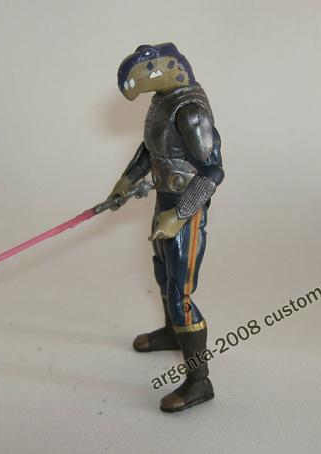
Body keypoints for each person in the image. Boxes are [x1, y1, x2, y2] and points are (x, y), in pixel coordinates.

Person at [108, 43, 225, 412]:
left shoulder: (191, 112)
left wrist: (180, 215)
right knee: (162, 272)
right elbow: (150, 149)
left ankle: (199, 380)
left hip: (184, 210)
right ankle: (174, 333)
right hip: (164, 200)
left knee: (180, 293)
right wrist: (125, 183)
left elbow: (213, 172)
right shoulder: (162, 101)